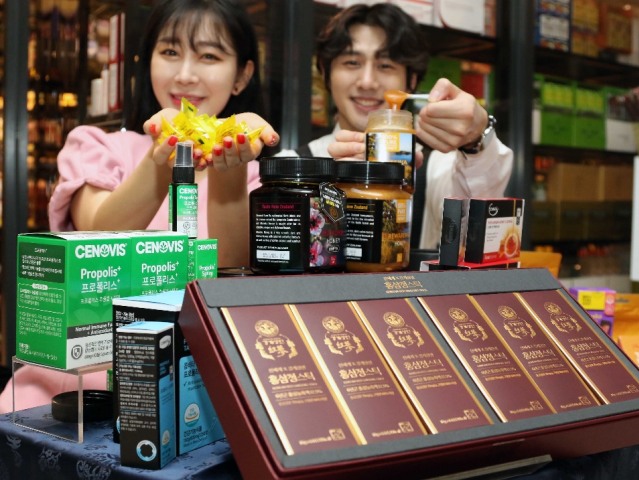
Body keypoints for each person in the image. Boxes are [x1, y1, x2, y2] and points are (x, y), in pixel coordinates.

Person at [0, 0, 278, 414]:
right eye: (170, 51)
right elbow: (96, 233)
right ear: (146, 61)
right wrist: (162, 157)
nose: (185, 74)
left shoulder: (259, 179)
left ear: (241, 76)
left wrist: (230, 169)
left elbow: (228, 270)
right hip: (69, 388)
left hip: (187, 394)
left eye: (209, 56)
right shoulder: (99, 146)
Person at [279, 3, 513, 250]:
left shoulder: (435, 167)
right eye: (352, 62)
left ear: (411, 80)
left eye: (386, 65)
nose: (368, 82)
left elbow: (478, 230)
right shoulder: (290, 165)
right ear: (326, 73)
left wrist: (477, 136)